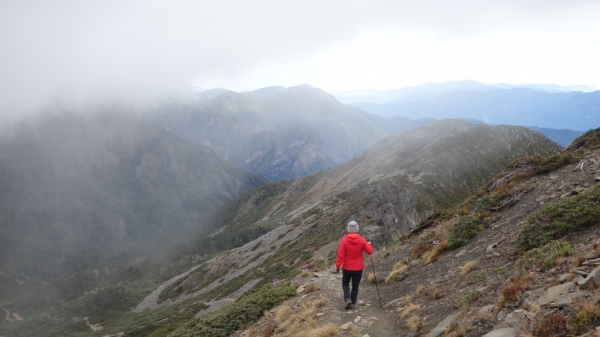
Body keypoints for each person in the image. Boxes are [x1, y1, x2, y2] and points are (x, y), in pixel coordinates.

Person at [334, 220, 373, 310]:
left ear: (348, 229)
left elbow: (340, 255)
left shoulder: (344, 241)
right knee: (355, 285)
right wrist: (369, 244)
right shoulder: (362, 240)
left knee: (345, 283)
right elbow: (370, 251)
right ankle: (353, 302)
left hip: (347, 267)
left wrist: (337, 266)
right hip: (358, 267)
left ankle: (348, 299)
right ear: (357, 229)